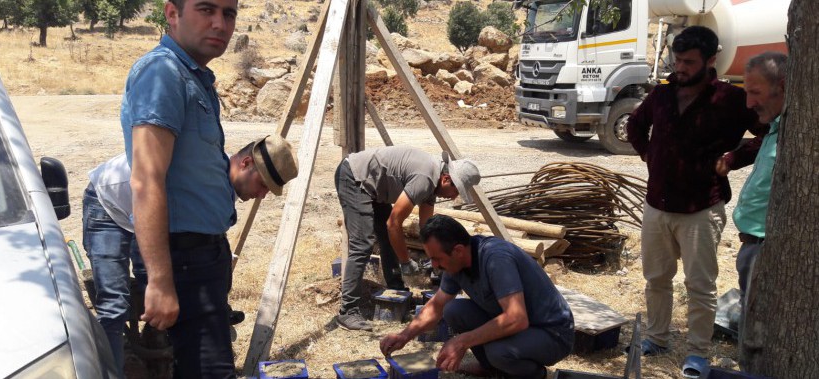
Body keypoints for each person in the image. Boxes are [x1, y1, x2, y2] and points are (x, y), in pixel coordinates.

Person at [120, 0, 299, 374]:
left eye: (229, 14)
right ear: (172, 14)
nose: (220, 23)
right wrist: (160, 280)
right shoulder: (162, 73)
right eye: (206, 10)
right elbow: (146, 179)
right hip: (182, 260)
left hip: (200, 258)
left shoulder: (195, 79)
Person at [82, 137, 295, 373]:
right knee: (114, 305)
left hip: (146, 216)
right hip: (107, 206)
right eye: (263, 184)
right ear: (245, 163)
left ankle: (156, 357)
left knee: (162, 302)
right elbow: (155, 227)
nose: (263, 195)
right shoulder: (199, 179)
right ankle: (112, 371)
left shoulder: (223, 190)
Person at [625, 26, 762, 378]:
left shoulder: (730, 99)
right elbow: (635, 126)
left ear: (711, 60)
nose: (680, 67)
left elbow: (768, 133)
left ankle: (698, 354)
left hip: (701, 208)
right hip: (657, 206)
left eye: (688, 62)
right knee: (656, 278)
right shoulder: (662, 93)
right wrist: (649, 157)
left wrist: (733, 159)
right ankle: (656, 338)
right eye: (676, 59)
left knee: (699, 285)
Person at [379, 215, 574, 378]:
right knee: (454, 310)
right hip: (522, 326)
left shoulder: (496, 259)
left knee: (498, 352)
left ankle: (534, 375)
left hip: (551, 333)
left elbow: (516, 318)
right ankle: (490, 368)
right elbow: (437, 306)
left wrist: (461, 341)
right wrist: (405, 335)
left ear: (458, 250)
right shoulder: (456, 264)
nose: (435, 265)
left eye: (437, 258)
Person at [335, 146, 480, 331]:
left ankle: (397, 289)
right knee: (362, 244)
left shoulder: (433, 184)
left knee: (388, 239)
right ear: (446, 179)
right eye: (456, 191)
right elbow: (394, 223)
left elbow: (427, 229)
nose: (453, 198)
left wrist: (435, 260)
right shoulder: (425, 179)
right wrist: (405, 261)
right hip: (355, 178)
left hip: (374, 188)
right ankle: (348, 311)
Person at [716, 52, 787, 302]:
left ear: (782, 86)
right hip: (755, 246)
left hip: (770, 249)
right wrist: (732, 159)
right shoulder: (779, 128)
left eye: (755, 92)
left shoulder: (800, 136)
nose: (748, 103)